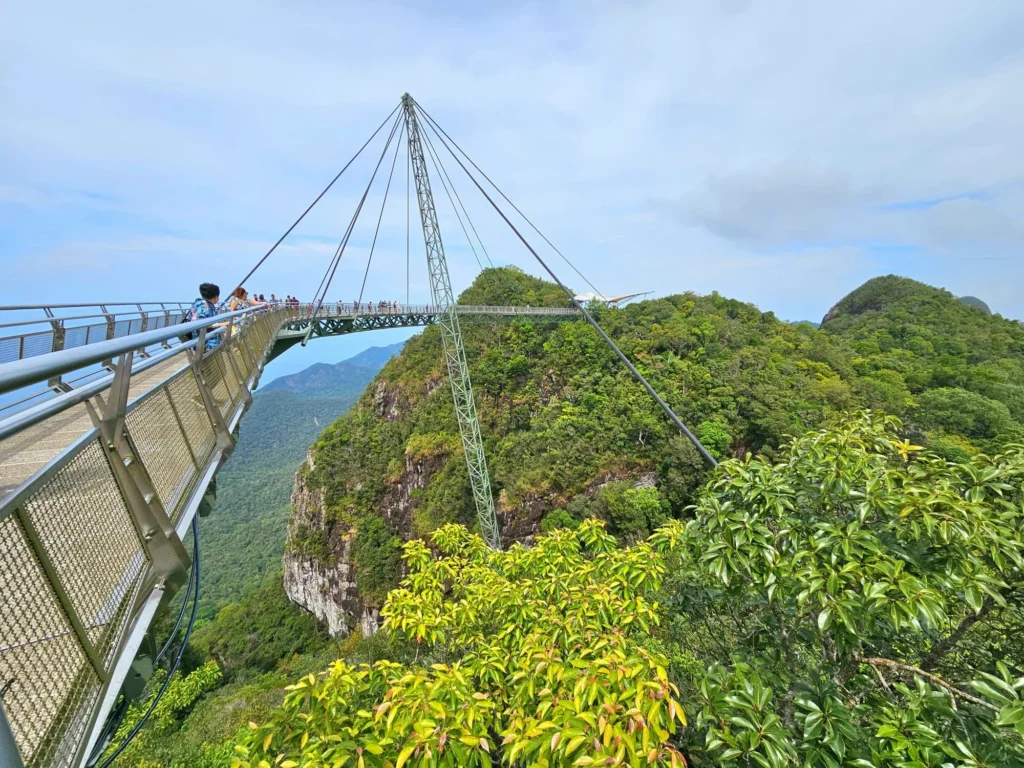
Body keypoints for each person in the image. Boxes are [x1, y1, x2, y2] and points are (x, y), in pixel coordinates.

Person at [186, 282, 225, 350]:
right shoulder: (204, 306)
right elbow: (199, 323)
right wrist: (220, 324)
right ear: (216, 296)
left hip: (204, 340)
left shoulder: (200, 303)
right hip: (206, 343)